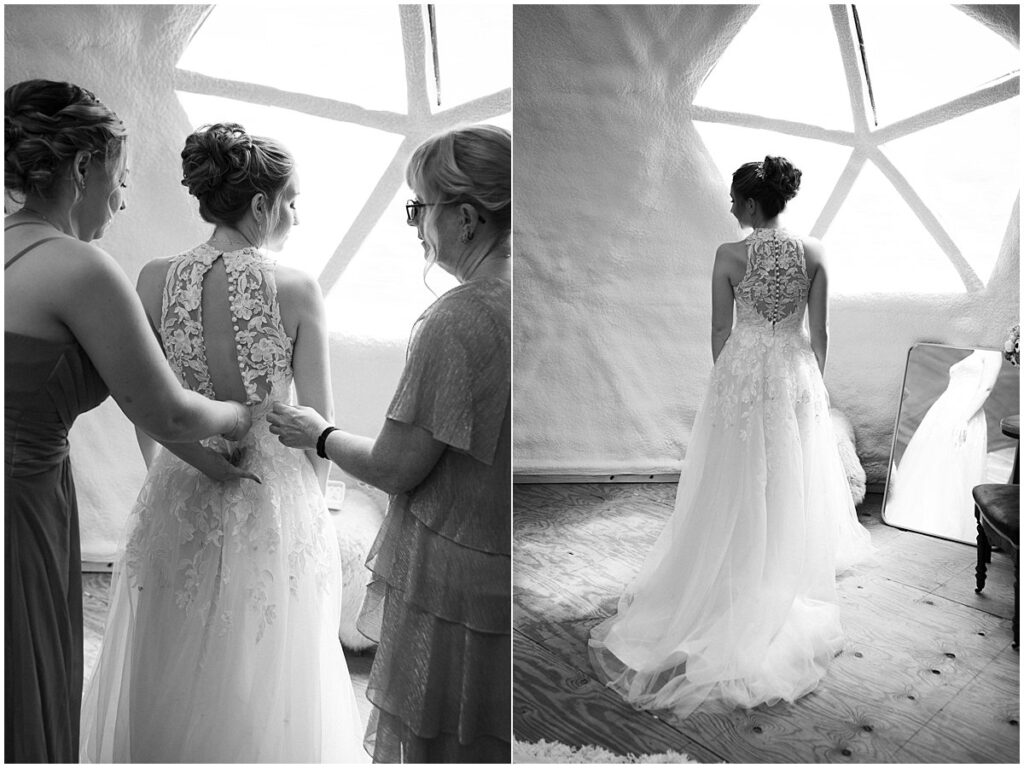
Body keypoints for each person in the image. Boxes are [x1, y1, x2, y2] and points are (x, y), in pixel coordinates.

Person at [79, 123, 364, 762]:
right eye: (290, 200)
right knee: (268, 656)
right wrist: (309, 509)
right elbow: (315, 419)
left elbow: (144, 405)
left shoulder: (153, 278)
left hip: (180, 480)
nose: (295, 215)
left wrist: (166, 473)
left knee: (169, 643)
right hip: (273, 493)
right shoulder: (295, 288)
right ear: (261, 205)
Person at [4, 80, 250, 764]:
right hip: (18, 507)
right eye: (121, 174)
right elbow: (164, 404)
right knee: (24, 670)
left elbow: (130, 394)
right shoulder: (82, 269)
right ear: (83, 168)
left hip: (24, 486)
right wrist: (235, 414)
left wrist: (206, 464)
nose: (122, 195)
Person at [588, 156, 873, 717]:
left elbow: (720, 331)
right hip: (795, 370)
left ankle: (731, 566)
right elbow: (821, 333)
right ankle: (778, 569)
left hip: (743, 371)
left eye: (733, 200)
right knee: (787, 474)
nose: (730, 207)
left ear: (748, 203)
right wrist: (810, 386)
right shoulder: (814, 253)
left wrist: (733, 382)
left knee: (734, 473)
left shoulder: (728, 256)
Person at [268, 124, 511, 762]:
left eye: (418, 209)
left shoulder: (459, 318)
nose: (417, 227)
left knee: (449, 736)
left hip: (462, 575)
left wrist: (317, 433)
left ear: (464, 217)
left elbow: (397, 467)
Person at [885, 348, 1003, 541]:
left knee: (953, 465)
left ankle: (946, 521)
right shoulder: (975, 351)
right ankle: (925, 512)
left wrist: (964, 418)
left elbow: (986, 388)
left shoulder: (992, 353)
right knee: (933, 462)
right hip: (945, 411)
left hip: (964, 413)